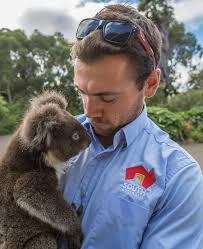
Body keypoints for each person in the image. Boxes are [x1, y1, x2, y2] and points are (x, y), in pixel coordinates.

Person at [58, 4, 203, 249]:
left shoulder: (179, 178)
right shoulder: (53, 136)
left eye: (108, 98)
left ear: (151, 84)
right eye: (82, 92)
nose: (89, 111)